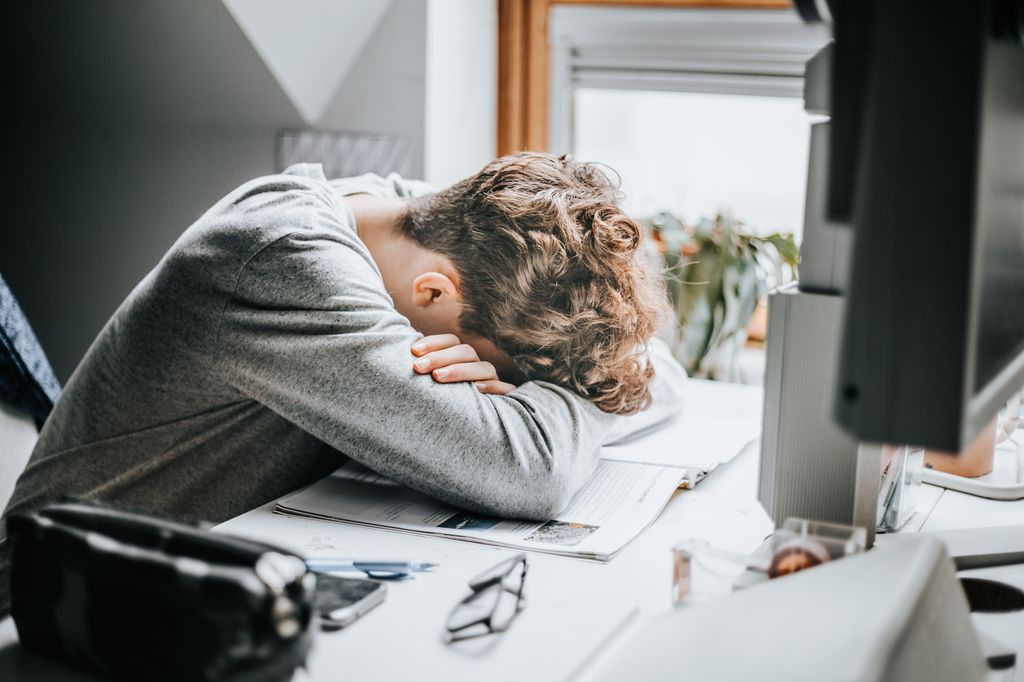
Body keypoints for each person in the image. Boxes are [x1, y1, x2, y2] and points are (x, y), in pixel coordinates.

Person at [0, 152, 686, 614]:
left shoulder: (408, 225)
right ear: (434, 293)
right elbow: (526, 469)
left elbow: (663, 376)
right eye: (505, 373)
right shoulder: (283, 258)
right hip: (62, 608)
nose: (497, 388)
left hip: (215, 596)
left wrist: (563, 385)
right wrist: (577, 397)